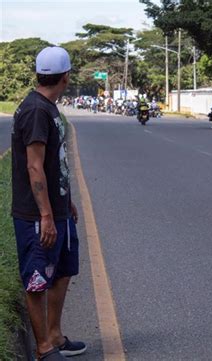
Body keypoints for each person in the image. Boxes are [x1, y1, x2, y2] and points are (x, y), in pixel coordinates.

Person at [11, 46, 86, 360]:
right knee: (37, 279)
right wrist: (44, 214)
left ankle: (54, 335)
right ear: (66, 77)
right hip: (37, 215)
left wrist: (64, 201)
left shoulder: (49, 106)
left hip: (56, 210)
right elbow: (34, 165)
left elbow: (56, 162)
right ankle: (43, 348)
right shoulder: (36, 111)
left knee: (64, 270)